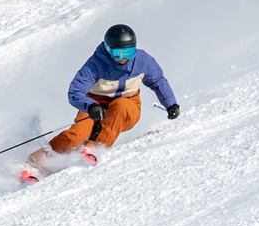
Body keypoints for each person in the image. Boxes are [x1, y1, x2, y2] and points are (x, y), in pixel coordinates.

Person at [22, 23, 180, 182]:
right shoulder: (95, 65)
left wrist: (170, 103)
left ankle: (95, 148)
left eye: (129, 52)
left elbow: (158, 81)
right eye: (118, 53)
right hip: (96, 106)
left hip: (127, 108)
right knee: (76, 135)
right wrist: (90, 106)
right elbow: (75, 92)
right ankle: (34, 164)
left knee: (121, 105)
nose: (124, 58)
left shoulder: (142, 60)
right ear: (108, 49)